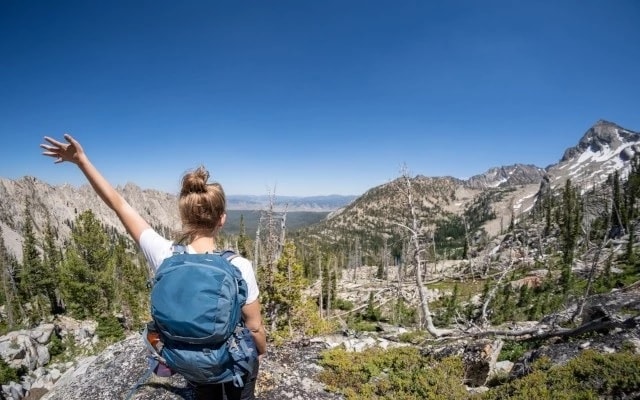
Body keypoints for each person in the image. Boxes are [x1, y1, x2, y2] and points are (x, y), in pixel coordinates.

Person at [40, 134, 267, 400]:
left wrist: (81, 161)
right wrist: (260, 352)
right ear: (222, 218)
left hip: (185, 364)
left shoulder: (164, 254)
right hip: (228, 367)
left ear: (183, 216)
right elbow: (254, 328)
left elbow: (119, 205)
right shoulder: (238, 266)